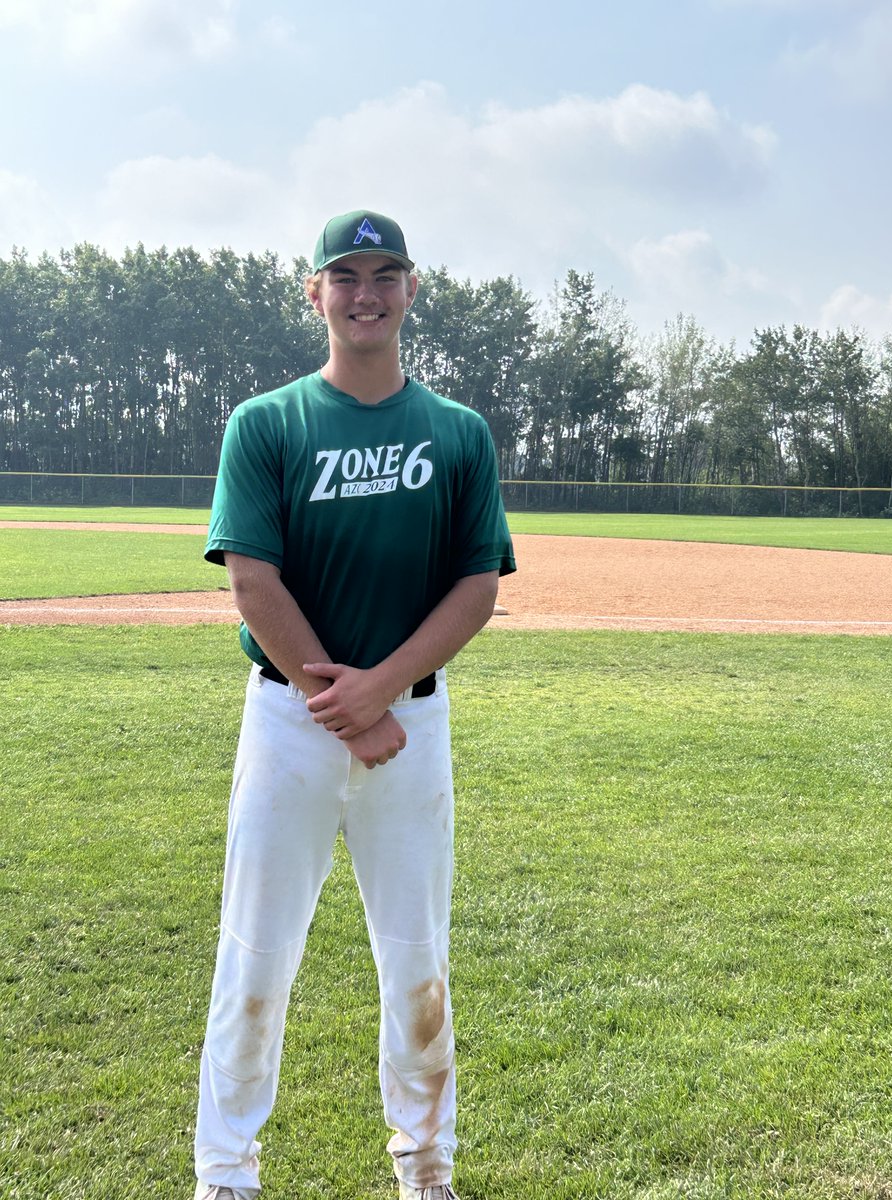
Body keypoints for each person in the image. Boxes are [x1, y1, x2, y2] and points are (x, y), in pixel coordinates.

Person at [193, 209, 516, 1200]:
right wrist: (348, 706)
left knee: (418, 960)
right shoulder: (267, 422)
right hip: (289, 723)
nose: (365, 294)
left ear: (412, 289)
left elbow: (477, 586)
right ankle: (226, 1174)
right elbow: (253, 581)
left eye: (384, 275)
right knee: (254, 956)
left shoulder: (457, 433)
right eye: (345, 275)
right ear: (315, 294)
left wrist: (380, 695)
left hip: (410, 724)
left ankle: (426, 1169)